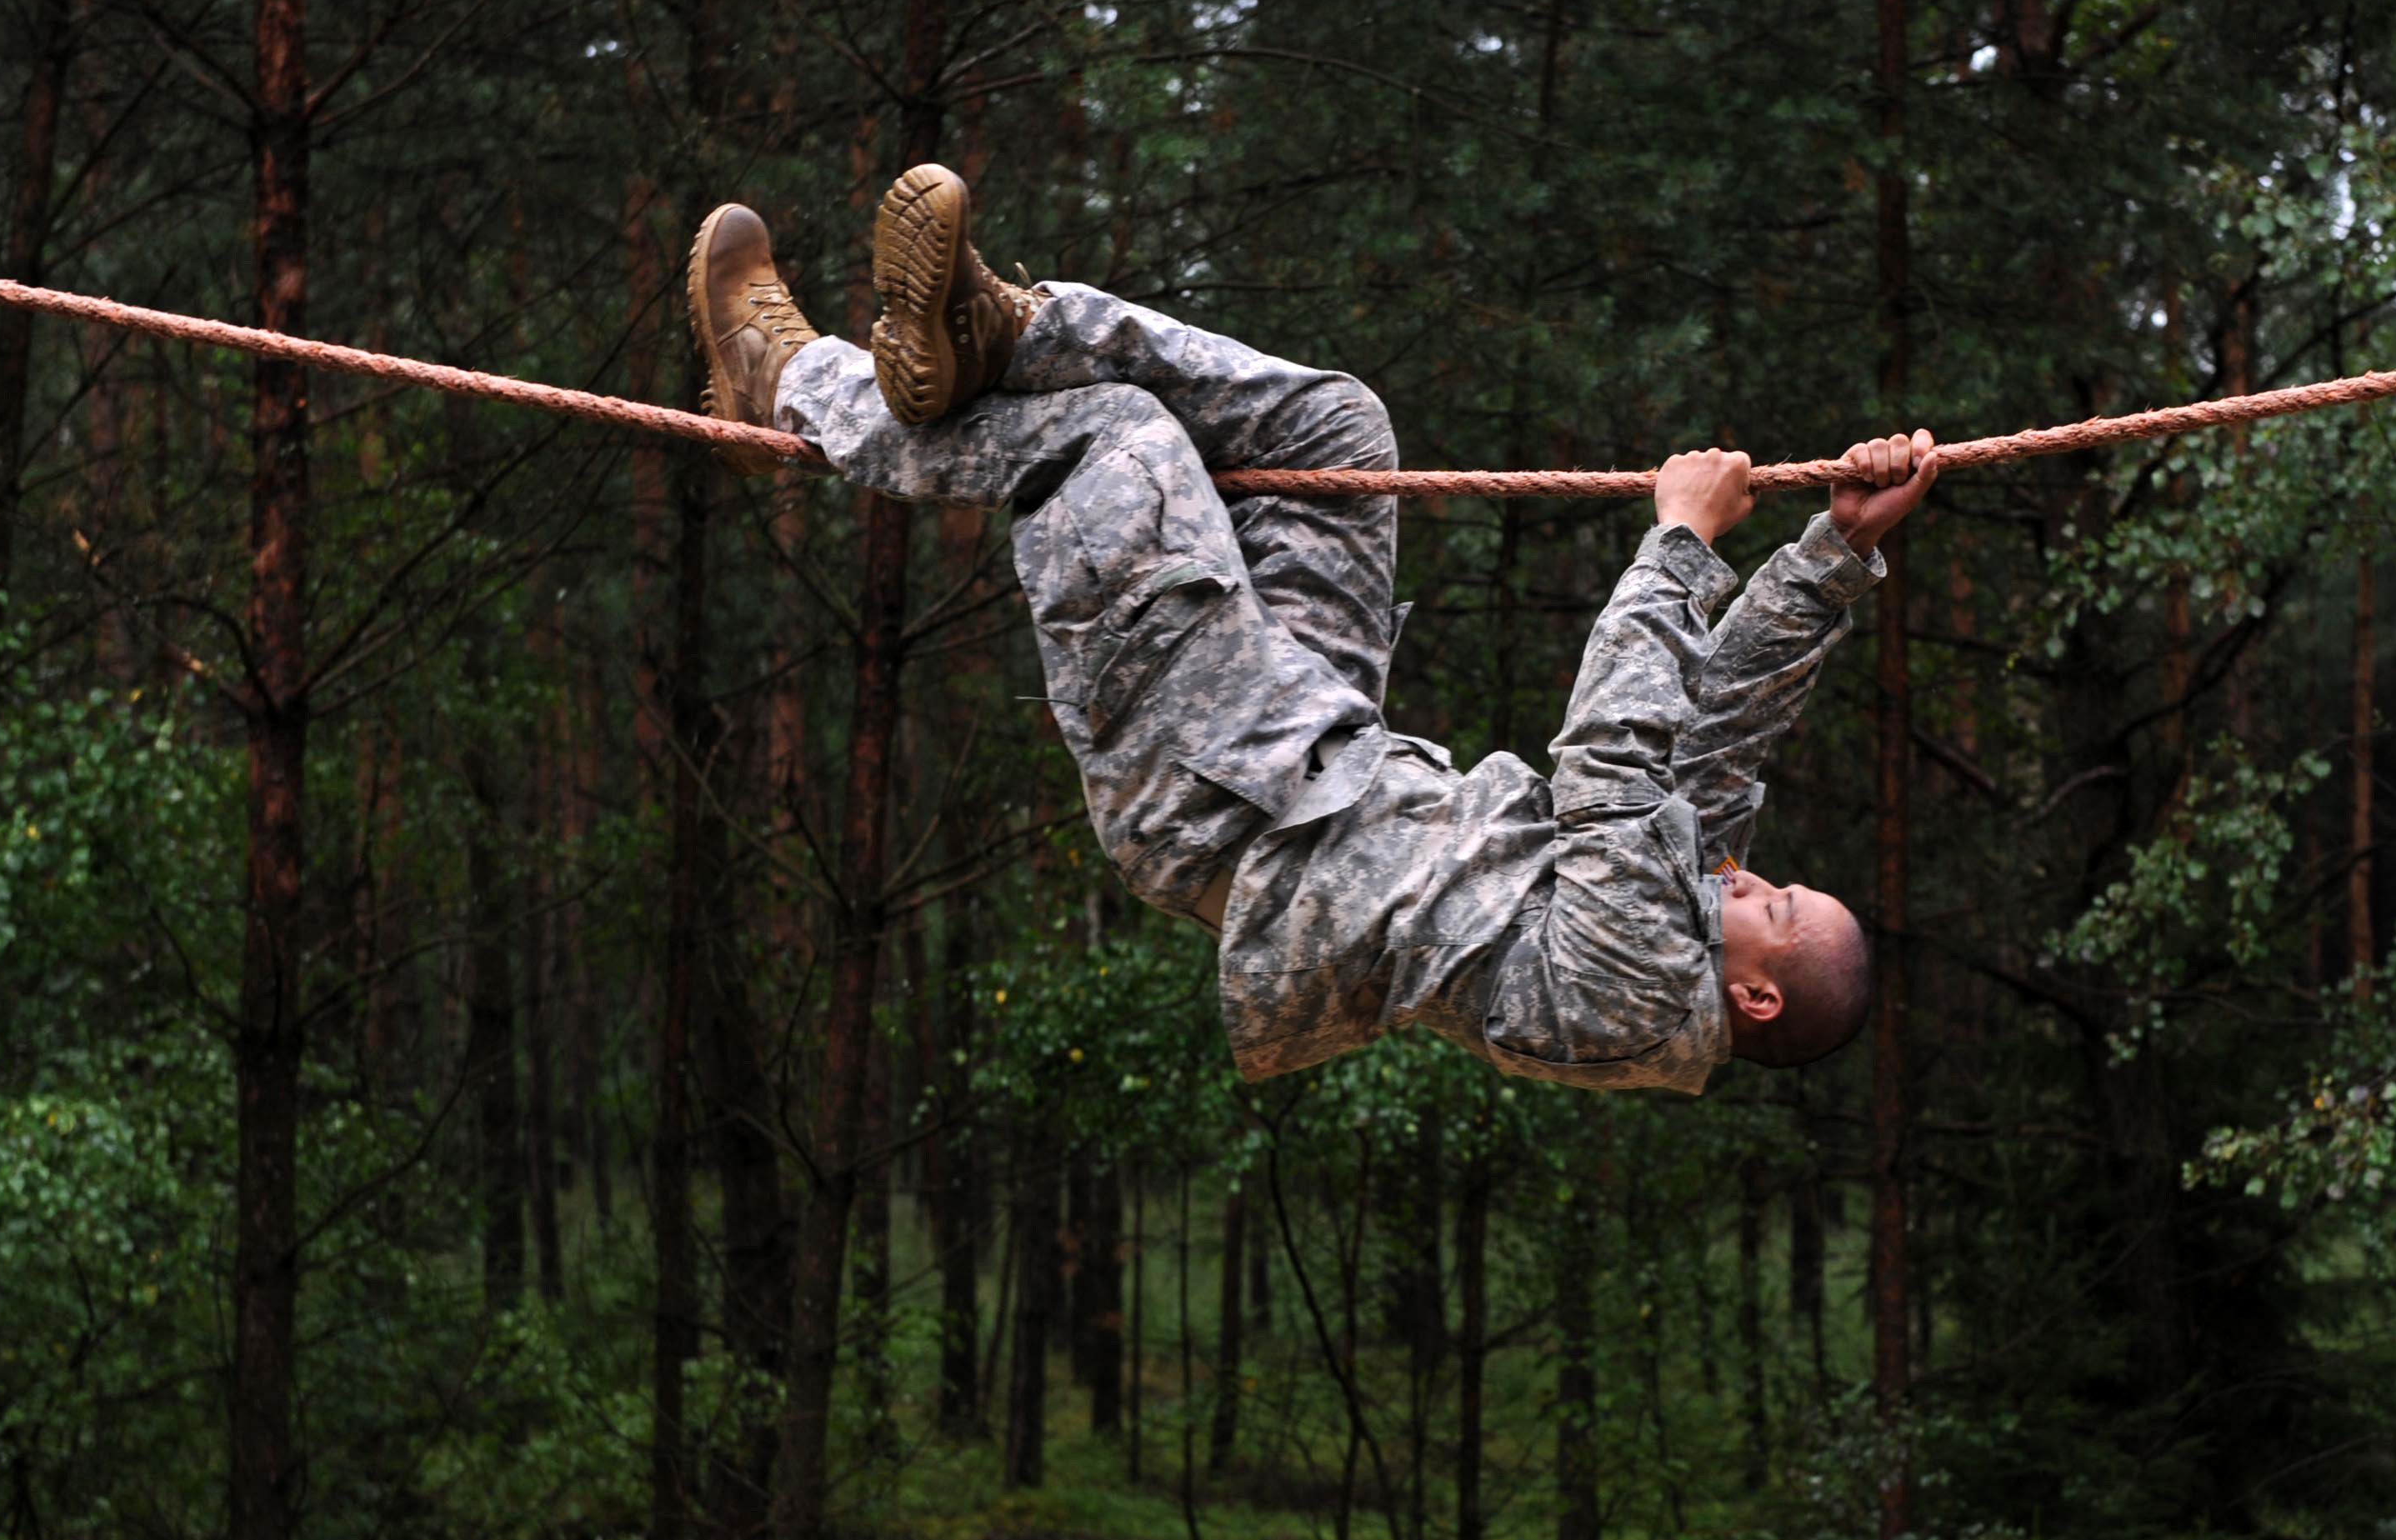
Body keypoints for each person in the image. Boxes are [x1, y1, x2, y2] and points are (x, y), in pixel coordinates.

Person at [686, 164, 1934, 1094]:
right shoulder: (1690, 915)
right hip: (1315, 741)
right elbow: (1722, 739)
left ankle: (792, 378)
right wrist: (1840, 547)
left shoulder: (1631, 999)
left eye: (1774, 906)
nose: (1755, 877)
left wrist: (1679, 539)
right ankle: (1005, 331)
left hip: (1227, 803)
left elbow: (1613, 764)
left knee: (1117, 441)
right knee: (1340, 435)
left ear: (1753, 995)